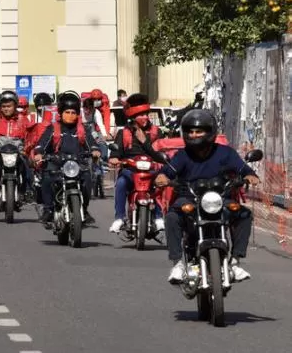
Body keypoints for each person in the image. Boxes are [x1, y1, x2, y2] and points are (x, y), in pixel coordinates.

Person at [156, 109, 259, 284]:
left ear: (210, 132)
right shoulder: (182, 155)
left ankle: (235, 261)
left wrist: (250, 175)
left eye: (199, 131)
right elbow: (166, 172)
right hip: (189, 197)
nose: (194, 135)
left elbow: (243, 168)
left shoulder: (225, 152)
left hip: (219, 198)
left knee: (243, 214)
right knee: (173, 216)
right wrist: (162, 177)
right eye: (190, 131)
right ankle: (178, 263)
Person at [32, 91, 100, 225]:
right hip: (56, 162)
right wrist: (39, 153)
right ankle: (49, 210)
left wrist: (95, 150)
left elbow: (91, 143)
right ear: (61, 113)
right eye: (67, 112)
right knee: (46, 178)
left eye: (73, 113)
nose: (70, 116)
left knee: (87, 179)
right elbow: (42, 143)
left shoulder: (82, 129)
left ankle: (84, 210)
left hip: (77, 163)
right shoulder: (53, 128)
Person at [107, 93, 165, 233]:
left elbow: (161, 154)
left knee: (159, 185)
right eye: (141, 115)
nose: (145, 117)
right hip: (130, 171)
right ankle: (119, 218)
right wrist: (114, 158)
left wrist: (145, 142)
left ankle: (158, 217)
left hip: (151, 170)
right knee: (121, 183)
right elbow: (116, 151)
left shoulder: (156, 132)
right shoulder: (124, 133)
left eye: (146, 114)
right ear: (133, 117)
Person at [0, 90, 36, 204]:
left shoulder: (23, 119)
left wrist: (26, 149)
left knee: (27, 163)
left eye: (9, 106)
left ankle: (28, 191)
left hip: (17, 148)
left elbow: (30, 137)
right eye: (3, 106)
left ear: (15, 106)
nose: (6, 109)